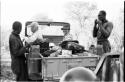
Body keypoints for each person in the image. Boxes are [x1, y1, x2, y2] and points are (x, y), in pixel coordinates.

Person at [93, 10, 113, 81]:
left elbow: (106, 34)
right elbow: (94, 35)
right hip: (98, 45)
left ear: (104, 16)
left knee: (105, 63)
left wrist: (100, 25)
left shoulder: (109, 24)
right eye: (98, 15)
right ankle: (100, 79)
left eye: (100, 15)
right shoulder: (100, 24)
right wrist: (95, 25)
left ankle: (107, 79)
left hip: (105, 45)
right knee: (99, 64)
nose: (98, 17)